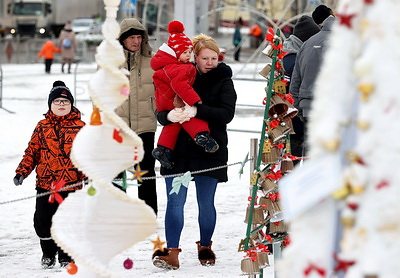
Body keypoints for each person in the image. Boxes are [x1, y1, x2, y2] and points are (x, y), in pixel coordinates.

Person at [152, 33, 237, 270]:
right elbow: (161, 105)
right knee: (175, 202)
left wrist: (196, 112)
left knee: (205, 202)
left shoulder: (224, 80)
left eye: (214, 57)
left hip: (210, 150)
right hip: (178, 154)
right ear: (194, 58)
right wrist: (167, 116)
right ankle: (171, 252)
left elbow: (226, 114)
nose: (210, 62)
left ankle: (206, 246)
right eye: (205, 58)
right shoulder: (179, 73)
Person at [13, 81, 85, 269]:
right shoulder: (42, 126)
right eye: (57, 101)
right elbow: (32, 152)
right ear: (50, 105)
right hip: (46, 184)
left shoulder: (81, 127)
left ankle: (65, 256)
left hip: (71, 184)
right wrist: (22, 172)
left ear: (71, 104)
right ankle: (48, 252)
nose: (61, 104)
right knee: (42, 221)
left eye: (65, 101)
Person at [151, 20, 219, 169]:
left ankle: (163, 148)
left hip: (164, 100)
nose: (188, 56)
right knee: (188, 116)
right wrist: (195, 101)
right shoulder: (180, 68)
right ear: (175, 53)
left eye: (189, 52)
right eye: (184, 52)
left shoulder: (167, 65)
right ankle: (202, 136)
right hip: (171, 99)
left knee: (174, 123)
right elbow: (179, 85)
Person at [115, 18, 158, 215]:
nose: (136, 41)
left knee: (146, 173)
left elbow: (160, 91)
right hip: (118, 126)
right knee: (117, 172)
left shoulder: (153, 61)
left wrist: (158, 112)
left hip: (145, 124)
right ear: (122, 39)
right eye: (131, 37)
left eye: (139, 37)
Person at [289, 11, 336, 156]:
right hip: (332, 109)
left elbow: (295, 80)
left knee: (310, 152)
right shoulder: (340, 45)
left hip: (308, 108)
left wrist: (299, 106)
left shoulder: (307, 43)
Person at [282, 16, 320, 162]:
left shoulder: (290, 55)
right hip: (295, 121)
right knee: (296, 163)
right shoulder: (293, 59)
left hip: (294, 119)